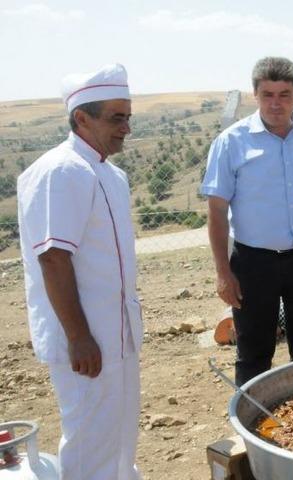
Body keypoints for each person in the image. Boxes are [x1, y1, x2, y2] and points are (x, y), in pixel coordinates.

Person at [17, 64, 142, 479]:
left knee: (118, 434)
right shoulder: (61, 171)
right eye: (115, 118)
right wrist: (79, 336)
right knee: (91, 441)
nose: (125, 127)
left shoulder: (109, 173)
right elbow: (53, 258)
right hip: (88, 340)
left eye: (127, 116)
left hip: (116, 333)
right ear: (81, 119)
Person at [200, 57, 293, 386]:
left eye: (284, 94)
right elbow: (217, 210)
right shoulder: (231, 142)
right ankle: (254, 431)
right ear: (255, 95)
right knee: (253, 354)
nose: (275, 103)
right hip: (253, 263)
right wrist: (223, 272)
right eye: (267, 94)